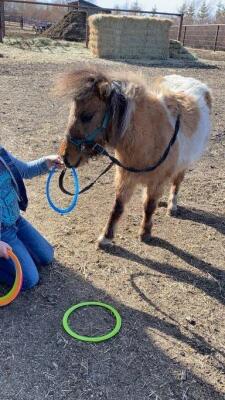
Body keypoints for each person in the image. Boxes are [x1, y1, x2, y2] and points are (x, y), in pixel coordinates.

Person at [0, 147, 64, 290]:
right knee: (29, 279)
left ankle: (17, 253)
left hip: (16, 221)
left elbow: (25, 170)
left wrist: (47, 162)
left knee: (46, 256)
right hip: (2, 234)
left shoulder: (1, 155)